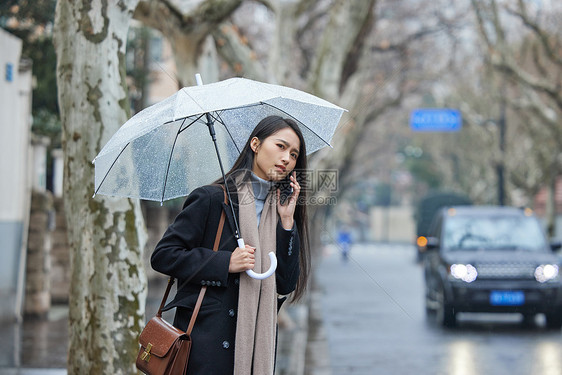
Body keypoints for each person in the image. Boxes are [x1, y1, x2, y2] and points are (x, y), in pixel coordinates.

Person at [151, 115, 310, 375]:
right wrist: (225, 262)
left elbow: (285, 283)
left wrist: (287, 222)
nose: (287, 159)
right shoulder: (211, 198)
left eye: (293, 155)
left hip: (257, 349)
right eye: (281, 146)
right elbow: (164, 256)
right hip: (205, 348)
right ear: (255, 144)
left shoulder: (280, 208)